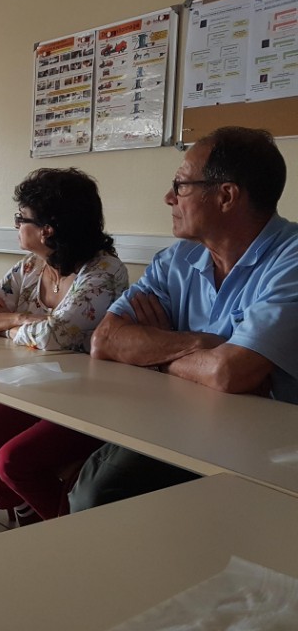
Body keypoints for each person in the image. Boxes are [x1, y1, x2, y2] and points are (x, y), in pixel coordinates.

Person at [71, 126, 298, 511]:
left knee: (105, 494)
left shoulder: (290, 259)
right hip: (183, 421)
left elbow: (228, 373)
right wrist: (203, 344)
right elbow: (104, 340)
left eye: (181, 185)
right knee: (94, 491)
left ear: (226, 196)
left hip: (268, 447)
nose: (168, 197)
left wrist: (156, 356)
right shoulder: (176, 259)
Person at [0, 168, 128, 524]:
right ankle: (27, 508)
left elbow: (55, 335)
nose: (16, 225)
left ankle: (71, 536)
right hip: (30, 391)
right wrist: (18, 319)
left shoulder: (105, 271)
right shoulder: (31, 267)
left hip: (86, 402)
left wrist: (1, 325)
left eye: (21, 218)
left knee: (11, 461)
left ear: (48, 229)